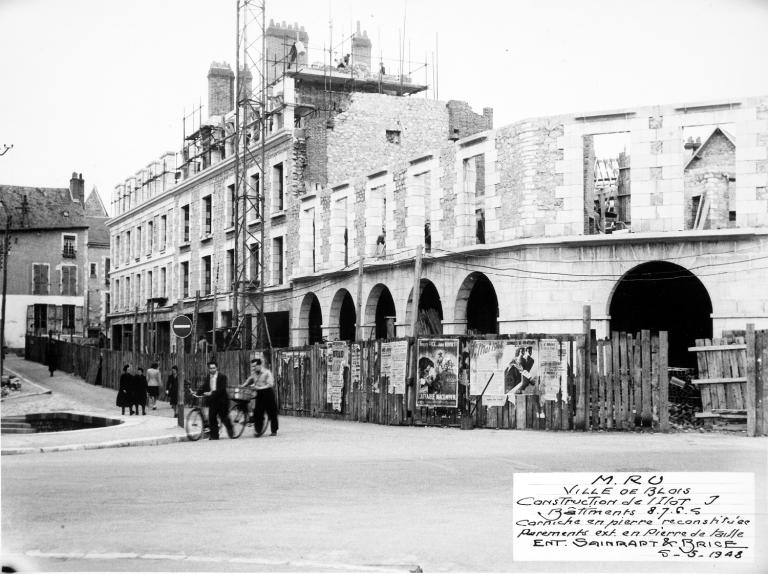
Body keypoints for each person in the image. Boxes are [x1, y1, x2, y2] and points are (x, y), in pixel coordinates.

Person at [241, 357, 278, 437]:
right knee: (258, 413)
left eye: (255, 366)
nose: (253, 368)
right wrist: (243, 385)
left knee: (272, 413)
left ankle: (274, 430)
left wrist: (259, 388)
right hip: (260, 395)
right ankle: (258, 430)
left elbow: (270, 384)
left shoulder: (267, 372)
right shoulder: (254, 373)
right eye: (252, 366)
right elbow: (249, 380)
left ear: (260, 365)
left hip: (268, 394)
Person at [202, 359, 234, 440]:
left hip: (222, 401)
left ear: (217, 368)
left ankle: (230, 429)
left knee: (223, 417)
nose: (212, 369)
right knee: (212, 417)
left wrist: (211, 393)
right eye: (210, 368)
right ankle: (214, 435)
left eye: (213, 368)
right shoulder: (208, 377)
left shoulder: (222, 377)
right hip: (212, 401)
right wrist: (197, 393)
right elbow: (204, 387)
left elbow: (221, 389)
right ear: (208, 369)